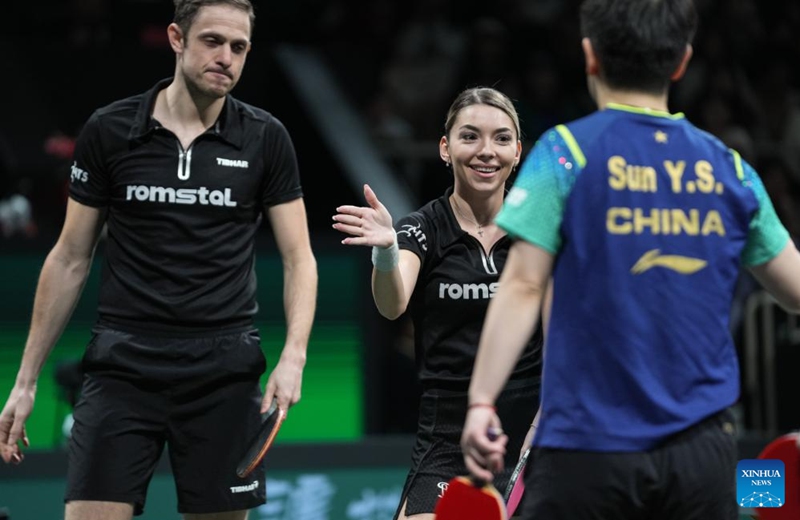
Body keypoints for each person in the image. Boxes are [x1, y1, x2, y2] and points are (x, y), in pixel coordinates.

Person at [460, 0, 800, 519]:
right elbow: (795, 292)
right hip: (701, 455)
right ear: (683, 60)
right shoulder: (729, 168)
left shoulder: (565, 152)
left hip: (587, 452)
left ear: (589, 56)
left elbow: (525, 285)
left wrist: (483, 399)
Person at [0, 1, 318, 519]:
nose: (227, 57)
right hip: (123, 367)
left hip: (225, 371)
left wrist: (295, 354)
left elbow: (299, 257)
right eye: (212, 41)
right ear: (176, 38)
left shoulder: (266, 138)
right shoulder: (110, 129)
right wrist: (26, 379)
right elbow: (70, 257)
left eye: (239, 47)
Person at [333, 86, 543, 520]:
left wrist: (546, 420)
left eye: (502, 138)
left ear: (518, 151)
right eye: (470, 137)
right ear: (445, 149)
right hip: (449, 434)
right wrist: (387, 252)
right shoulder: (422, 229)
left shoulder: (538, 231)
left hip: (533, 426)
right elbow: (393, 304)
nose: (487, 151)